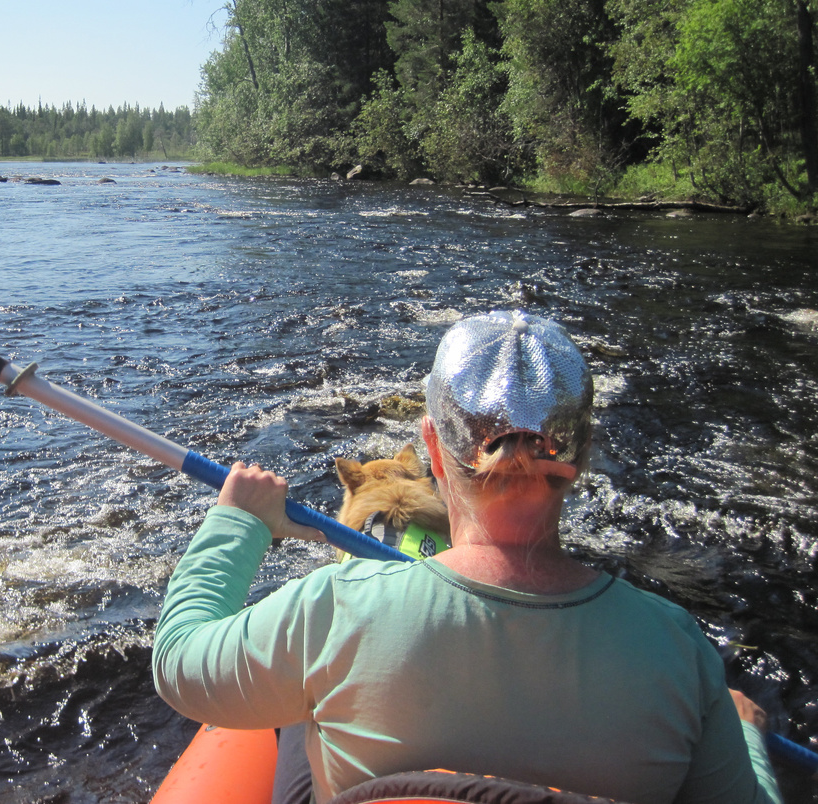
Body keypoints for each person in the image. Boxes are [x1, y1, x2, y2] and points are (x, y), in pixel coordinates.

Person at [152, 310, 782, 804]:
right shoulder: (676, 648)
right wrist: (748, 737)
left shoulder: (336, 609)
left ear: (431, 443)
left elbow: (179, 660)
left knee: (297, 719)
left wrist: (237, 521)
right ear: (582, 455)